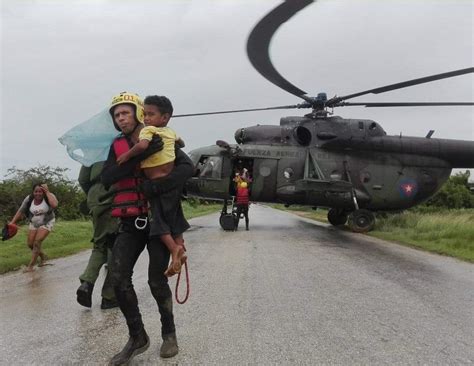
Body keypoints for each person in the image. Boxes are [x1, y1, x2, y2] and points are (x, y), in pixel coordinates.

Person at [102, 92, 194, 365]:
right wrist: (135, 160)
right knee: (118, 279)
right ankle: (138, 337)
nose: (121, 119)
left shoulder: (159, 135)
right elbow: (107, 177)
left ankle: (169, 333)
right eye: (116, 115)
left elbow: (187, 168)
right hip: (130, 223)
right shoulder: (117, 145)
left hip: (157, 221)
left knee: (156, 280)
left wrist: (155, 187)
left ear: (138, 113)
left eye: (125, 113)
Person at [116, 95, 187, 277]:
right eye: (144, 114)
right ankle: (180, 248)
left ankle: (174, 250)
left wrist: (127, 156)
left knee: (158, 222)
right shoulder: (170, 132)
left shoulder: (147, 132)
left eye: (150, 114)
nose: (146, 118)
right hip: (171, 187)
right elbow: (182, 143)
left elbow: (141, 147)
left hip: (156, 184)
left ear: (164, 117)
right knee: (175, 218)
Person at [76, 162, 119, 310]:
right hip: (114, 195)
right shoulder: (119, 143)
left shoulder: (93, 146)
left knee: (100, 245)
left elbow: (82, 179)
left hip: (94, 198)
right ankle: (109, 296)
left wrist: (94, 194)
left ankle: (87, 282)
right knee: (116, 245)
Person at [9, 183, 58, 272]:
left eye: (40, 191)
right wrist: (12, 223)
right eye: (36, 191)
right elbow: (20, 211)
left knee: (37, 242)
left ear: (43, 192)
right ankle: (43, 257)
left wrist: (47, 192)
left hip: (47, 222)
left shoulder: (49, 196)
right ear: (33, 192)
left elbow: (54, 205)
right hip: (34, 222)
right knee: (30, 244)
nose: (38, 194)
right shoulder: (29, 198)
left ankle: (30, 266)